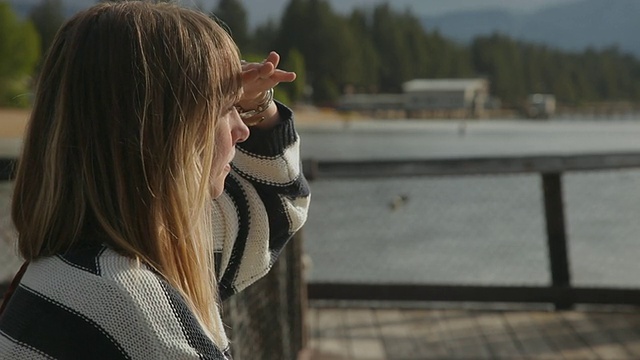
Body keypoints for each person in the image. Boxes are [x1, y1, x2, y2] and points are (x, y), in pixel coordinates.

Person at [0, 1, 310, 359]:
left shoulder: (61, 274)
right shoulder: (137, 317)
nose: (242, 130)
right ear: (167, 135)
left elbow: (271, 208)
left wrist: (258, 106)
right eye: (226, 109)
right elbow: (274, 212)